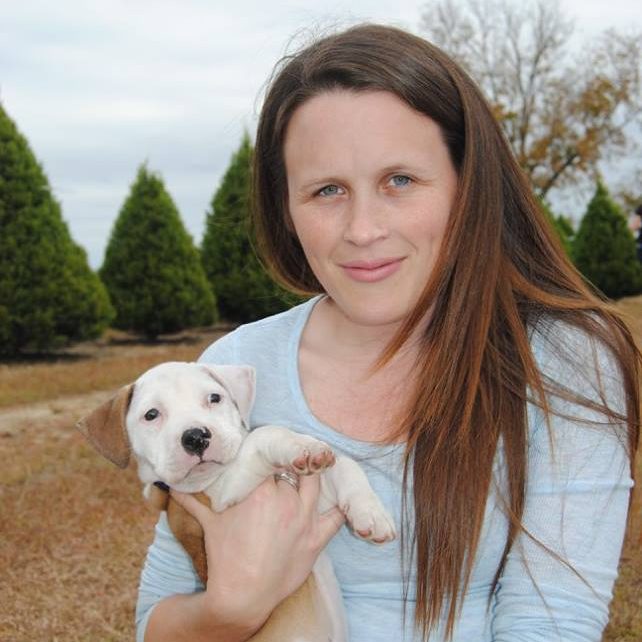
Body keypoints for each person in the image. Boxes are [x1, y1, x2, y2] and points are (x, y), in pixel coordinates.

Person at [135, 24, 640, 642]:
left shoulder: (566, 360)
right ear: (287, 210)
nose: (363, 228)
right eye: (327, 190)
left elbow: (551, 621)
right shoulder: (233, 368)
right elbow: (157, 620)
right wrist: (231, 611)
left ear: (467, 185)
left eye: (400, 180)